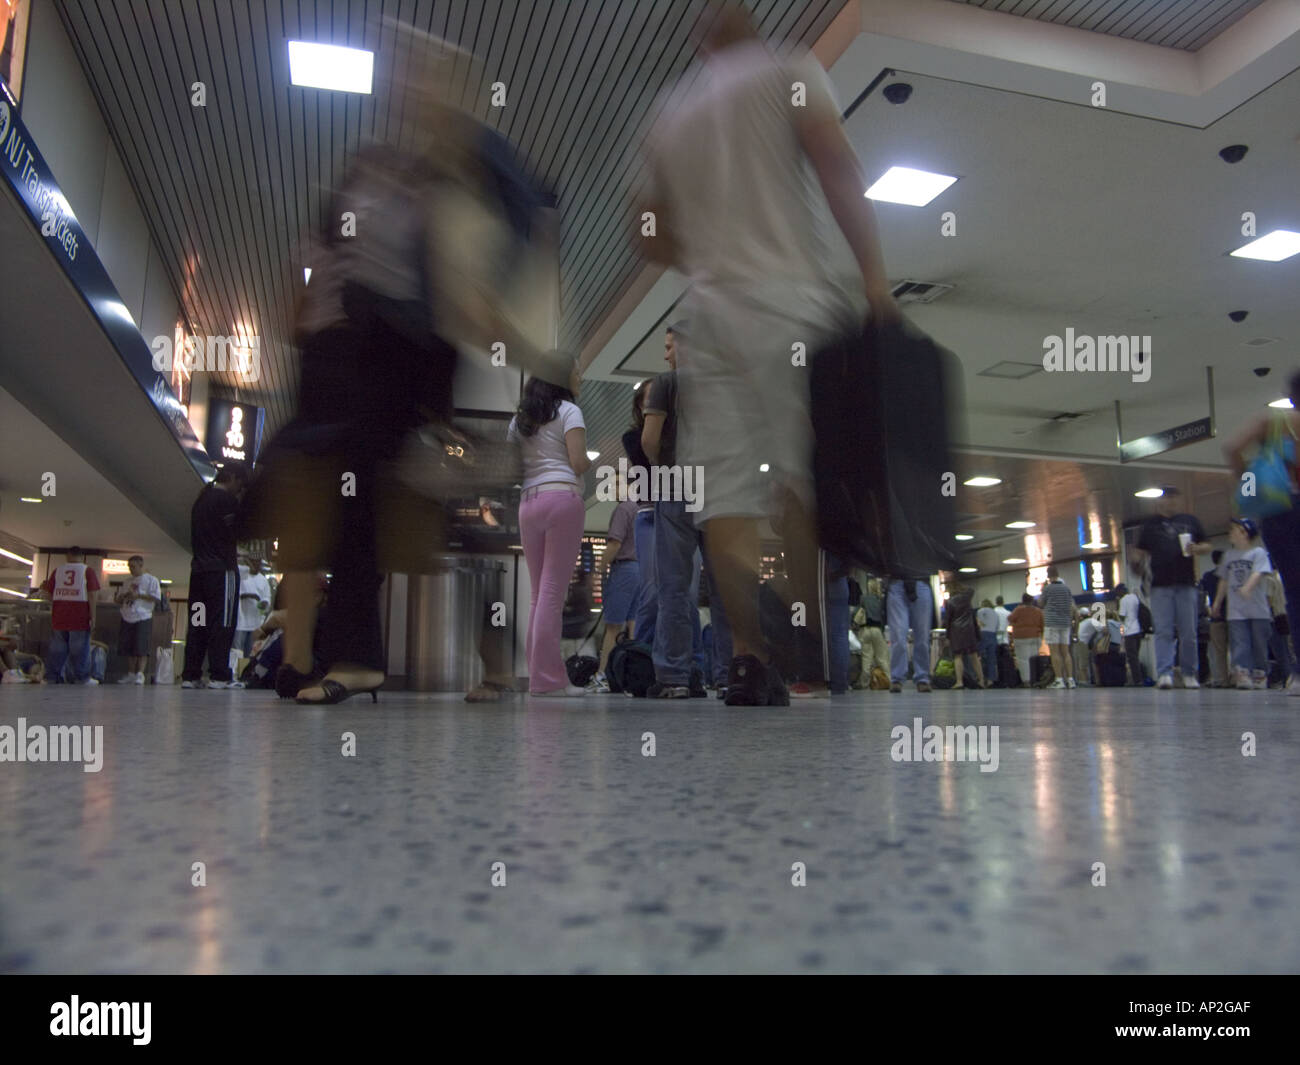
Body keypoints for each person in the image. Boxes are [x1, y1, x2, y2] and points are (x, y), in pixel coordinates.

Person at [245, 38, 570, 706]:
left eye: (426, 83)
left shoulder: (468, 164)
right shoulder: (423, 177)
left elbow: (531, 212)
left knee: (390, 508)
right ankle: (355, 652)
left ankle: (360, 654)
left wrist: (502, 315)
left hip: (414, 360)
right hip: (386, 360)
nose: (412, 94)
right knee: (394, 514)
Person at [642, 1, 899, 706]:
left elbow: (648, 234)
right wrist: (876, 283)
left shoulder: (671, 113)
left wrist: (712, 242)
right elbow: (837, 167)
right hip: (788, 303)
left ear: (699, 35)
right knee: (796, 472)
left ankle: (751, 659)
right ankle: (807, 638)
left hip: (708, 318)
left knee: (724, 495)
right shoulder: (789, 67)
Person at [641, 322, 725, 699]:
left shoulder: (665, 383)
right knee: (725, 588)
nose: (666, 354)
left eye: (670, 346)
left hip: (678, 484)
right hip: (721, 488)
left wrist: (664, 469)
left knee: (674, 585)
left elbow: (649, 439)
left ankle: (675, 675)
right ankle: (728, 673)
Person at [510, 369, 590, 697]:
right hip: (562, 500)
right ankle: (549, 680)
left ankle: (539, 676)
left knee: (537, 596)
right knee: (553, 593)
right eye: (576, 373)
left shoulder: (519, 421)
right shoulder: (570, 411)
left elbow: (513, 467)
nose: (579, 379)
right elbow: (578, 461)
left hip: (528, 504)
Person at [1222, 369, 1300, 696]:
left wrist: (1248, 481)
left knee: (1295, 592)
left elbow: (1232, 447)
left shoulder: (1274, 422)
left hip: (1281, 510)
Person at [1130, 488, 1213, 689]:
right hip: (1160, 585)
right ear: (1159, 502)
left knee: (1188, 631)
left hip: (1186, 583)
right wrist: (1136, 561)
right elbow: (1140, 551)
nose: (1170, 502)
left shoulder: (1190, 521)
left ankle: (1189, 672)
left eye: (1173, 498)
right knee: (1163, 631)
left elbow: (1207, 545)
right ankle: (1165, 672)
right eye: (1166, 498)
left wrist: (1197, 549)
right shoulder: (1150, 525)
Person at [182, 465, 247, 689]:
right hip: (222, 571)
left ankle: (190, 675)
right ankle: (219, 675)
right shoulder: (227, 501)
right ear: (234, 478)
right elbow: (236, 532)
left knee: (197, 623)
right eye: (240, 485)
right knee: (223, 621)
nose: (240, 490)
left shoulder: (200, 501)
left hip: (199, 570)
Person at [1212, 517, 1272, 690]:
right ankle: (1242, 673)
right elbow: (1223, 580)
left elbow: (1258, 573)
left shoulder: (1258, 553)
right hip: (1236, 610)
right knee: (1240, 643)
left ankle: (1260, 673)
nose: (1230, 532)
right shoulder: (1228, 556)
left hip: (1258, 609)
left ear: (1244, 533)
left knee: (1259, 642)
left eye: (1234, 529)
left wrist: (1247, 588)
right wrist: (1217, 602)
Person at [591, 491, 640, 691]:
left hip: (625, 570)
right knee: (634, 626)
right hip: (642, 570)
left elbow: (614, 543)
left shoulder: (623, 509)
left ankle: (602, 675)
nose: (615, 488)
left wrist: (599, 568)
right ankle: (633, 674)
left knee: (613, 626)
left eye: (620, 483)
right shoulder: (642, 509)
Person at [625, 379, 658, 652]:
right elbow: (647, 463)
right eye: (651, 399)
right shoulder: (633, 437)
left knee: (684, 594)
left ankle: (693, 663)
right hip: (650, 514)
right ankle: (642, 654)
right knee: (651, 591)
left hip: (680, 513)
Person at [33, 547, 100, 684]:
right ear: (82, 556)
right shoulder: (87, 571)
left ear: (67, 556)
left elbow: (48, 594)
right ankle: (82, 678)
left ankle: (52, 677)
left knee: (57, 648)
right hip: (80, 615)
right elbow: (92, 594)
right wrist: (93, 616)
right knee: (80, 649)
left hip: (59, 615)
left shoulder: (58, 571)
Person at [114, 555, 161, 685]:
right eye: (129, 567)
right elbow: (118, 599)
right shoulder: (127, 581)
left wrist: (138, 595)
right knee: (128, 647)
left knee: (141, 646)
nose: (131, 569)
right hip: (127, 614)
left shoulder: (151, 580)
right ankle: (131, 673)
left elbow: (156, 598)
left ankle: (140, 673)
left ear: (141, 565)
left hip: (142, 615)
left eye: (133, 566)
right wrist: (123, 596)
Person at [886, 575, 933, 693]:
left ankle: (922, 678)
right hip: (896, 580)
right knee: (898, 634)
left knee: (922, 636)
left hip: (921, 579)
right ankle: (897, 678)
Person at [1038, 566, 1077, 689]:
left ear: (1048, 575)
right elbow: (1071, 605)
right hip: (1065, 623)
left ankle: (1059, 680)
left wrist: (1043, 588)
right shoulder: (1066, 589)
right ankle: (1070, 680)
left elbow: (1040, 603)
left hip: (1052, 623)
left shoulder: (1048, 589)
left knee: (1055, 652)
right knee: (1066, 652)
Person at [945, 580, 984, 690]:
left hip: (956, 631)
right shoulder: (967, 597)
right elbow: (971, 589)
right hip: (970, 630)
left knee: (958, 656)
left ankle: (959, 682)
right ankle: (981, 681)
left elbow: (948, 620)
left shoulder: (950, 602)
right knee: (974, 656)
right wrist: (962, 587)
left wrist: (947, 636)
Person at [233, 553, 271, 659]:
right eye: (253, 562)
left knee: (250, 654)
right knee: (236, 652)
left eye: (258, 562)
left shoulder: (263, 580)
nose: (256, 564)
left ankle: (246, 674)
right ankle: (235, 674)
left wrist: (262, 603)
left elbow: (266, 600)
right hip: (240, 621)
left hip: (255, 623)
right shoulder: (242, 574)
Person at [1199, 551, 1228, 687]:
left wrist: (1209, 611)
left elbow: (1204, 597)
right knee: (1238, 648)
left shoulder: (1207, 577)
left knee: (1219, 652)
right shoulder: (1229, 575)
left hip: (1215, 618)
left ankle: (1223, 680)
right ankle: (1238, 677)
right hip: (1233, 616)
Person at [1008, 592, 1044, 686]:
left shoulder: (1019, 610)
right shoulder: (1038, 611)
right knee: (1034, 659)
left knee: (1023, 660)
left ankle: (1026, 681)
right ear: (1032, 601)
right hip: (1035, 636)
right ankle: (1035, 679)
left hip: (1021, 637)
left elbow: (1010, 618)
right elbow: (1042, 624)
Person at [1116, 582, 1144, 686]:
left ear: (1120, 591)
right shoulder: (1135, 597)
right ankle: (1138, 679)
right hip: (1138, 630)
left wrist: (1118, 605)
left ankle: (1137, 681)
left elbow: (1122, 616)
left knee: (1132, 658)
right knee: (1136, 656)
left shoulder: (1123, 600)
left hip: (1129, 632)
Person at [976, 598, 999, 687]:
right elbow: (997, 626)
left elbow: (978, 623)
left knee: (979, 657)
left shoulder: (980, 611)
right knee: (991, 659)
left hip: (983, 634)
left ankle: (980, 678)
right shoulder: (995, 613)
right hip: (993, 635)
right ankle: (990, 680)